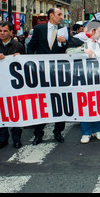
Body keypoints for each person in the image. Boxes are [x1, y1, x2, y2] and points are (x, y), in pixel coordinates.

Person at [27, 8, 69, 145]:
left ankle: (58, 131)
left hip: (57, 72)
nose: (61, 17)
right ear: (51, 16)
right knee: (40, 103)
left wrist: (64, 42)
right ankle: (38, 134)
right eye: (59, 14)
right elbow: (31, 46)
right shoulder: (39, 29)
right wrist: (29, 63)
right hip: (41, 72)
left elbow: (69, 49)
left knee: (59, 102)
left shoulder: (64, 30)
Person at [0, 21, 26, 149]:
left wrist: (20, 57)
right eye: (0, 31)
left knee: (15, 111)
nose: (2, 33)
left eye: (5, 31)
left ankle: (16, 138)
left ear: (11, 32)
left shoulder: (18, 45)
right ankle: (2, 138)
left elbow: (26, 62)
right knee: (0, 111)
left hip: (13, 85)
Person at [67, 20, 100, 143]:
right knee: (85, 104)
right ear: (93, 30)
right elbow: (68, 52)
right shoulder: (77, 40)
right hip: (83, 78)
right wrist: (83, 51)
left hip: (99, 78)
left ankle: (97, 130)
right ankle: (86, 132)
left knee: (99, 103)